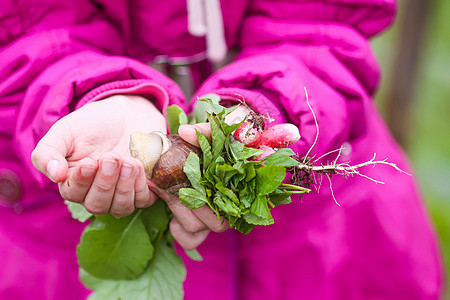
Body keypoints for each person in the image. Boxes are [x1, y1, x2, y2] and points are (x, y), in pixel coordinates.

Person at [0, 0, 444, 299]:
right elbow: (26, 33)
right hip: (42, 238)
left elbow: (324, 27)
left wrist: (264, 109)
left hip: (321, 239)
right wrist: (94, 93)